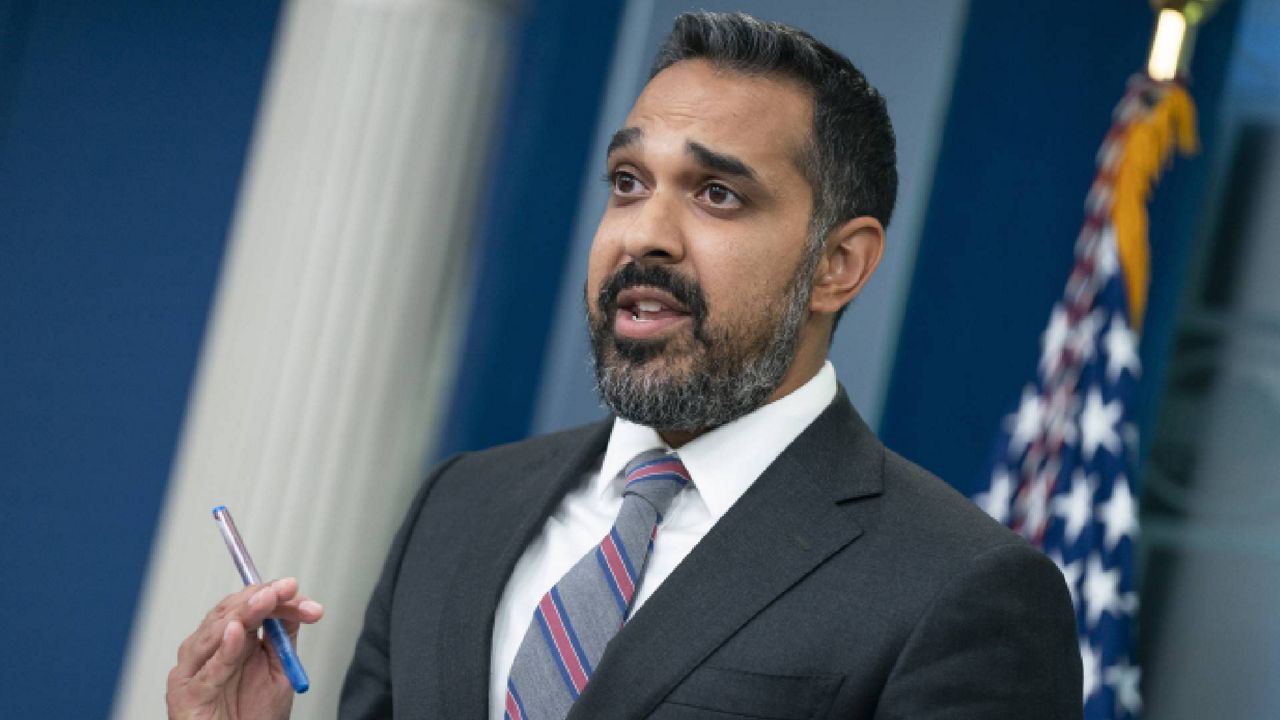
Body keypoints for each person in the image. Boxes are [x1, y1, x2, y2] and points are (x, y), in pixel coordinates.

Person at [168, 11, 1082, 720]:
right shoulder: (459, 506)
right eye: (628, 183)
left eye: (717, 194)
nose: (645, 233)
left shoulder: (963, 589)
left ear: (838, 265)